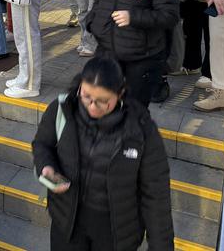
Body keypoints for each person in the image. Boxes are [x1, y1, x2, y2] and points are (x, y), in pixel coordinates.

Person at [32, 56, 174, 251]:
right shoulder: (62, 109)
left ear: (120, 93)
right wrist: (46, 166)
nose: (92, 106)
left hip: (117, 232)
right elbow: (42, 144)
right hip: (67, 221)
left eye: (103, 101)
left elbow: (156, 195)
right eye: (86, 96)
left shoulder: (140, 129)